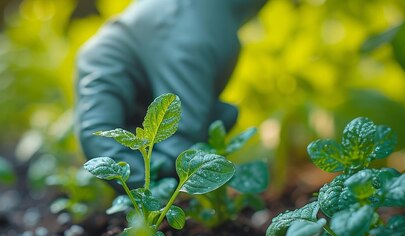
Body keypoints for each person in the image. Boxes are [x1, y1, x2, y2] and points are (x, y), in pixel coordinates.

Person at [75, 0, 266, 186]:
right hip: (195, 26)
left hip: (186, 28)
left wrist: (149, 188)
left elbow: (179, 142)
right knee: (182, 139)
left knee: (179, 141)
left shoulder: (185, 32)